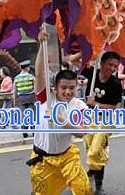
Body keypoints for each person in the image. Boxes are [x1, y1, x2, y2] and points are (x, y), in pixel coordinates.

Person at [27, 30, 92, 195]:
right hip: (43, 161)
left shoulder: (79, 106)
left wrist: (59, 119)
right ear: (55, 88)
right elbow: (39, 73)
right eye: (64, 88)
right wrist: (42, 45)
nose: (68, 91)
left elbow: (81, 133)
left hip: (67, 157)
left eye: (72, 88)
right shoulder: (45, 98)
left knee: (83, 189)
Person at [81, 52, 123, 195]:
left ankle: (99, 186)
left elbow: (113, 107)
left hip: (105, 120)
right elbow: (72, 60)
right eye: (109, 64)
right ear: (102, 63)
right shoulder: (92, 73)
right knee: (89, 149)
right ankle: (93, 170)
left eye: (115, 66)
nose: (111, 68)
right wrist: (90, 50)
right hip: (89, 118)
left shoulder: (116, 84)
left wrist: (96, 104)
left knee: (97, 151)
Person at [13, 60, 36, 138]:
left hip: (21, 99)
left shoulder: (16, 78)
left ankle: (24, 131)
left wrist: (15, 101)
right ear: (27, 68)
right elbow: (35, 88)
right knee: (32, 115)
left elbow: (15, 91)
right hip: (31, 98)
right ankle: (33, 131)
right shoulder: (31, 77)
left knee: (24, 115)